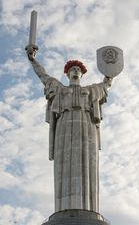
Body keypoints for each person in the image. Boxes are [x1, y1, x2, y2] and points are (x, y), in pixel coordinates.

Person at [26, 46, 112, 213]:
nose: (75, 71)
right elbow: (43, 76)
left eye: (78, 69)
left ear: (82, 74)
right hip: (64, 125)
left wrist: (110, 71)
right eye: (72, 69)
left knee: (88, 162)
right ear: (66, 73)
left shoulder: (91, 90)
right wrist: (33, 60)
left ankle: (88, 209)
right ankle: (64, 209)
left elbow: (106, 84)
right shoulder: (60, 89)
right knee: (64, 163)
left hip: (86, 125)